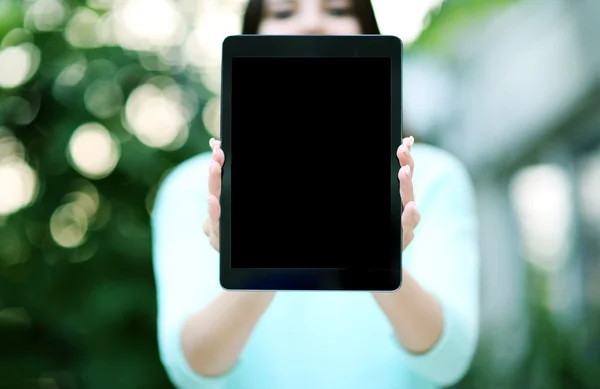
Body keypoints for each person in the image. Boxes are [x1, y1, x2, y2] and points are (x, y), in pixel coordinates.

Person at [151, 0, 480, 388]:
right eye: (284, 13)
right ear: (251, 38)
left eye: (338, 10)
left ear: (368, 35)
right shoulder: (195, 187)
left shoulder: (432, 177)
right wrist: (256, 262)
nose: (311, 23)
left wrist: (377, 257)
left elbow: (447, 362)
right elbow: (193, 369)